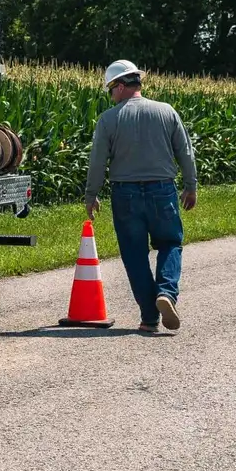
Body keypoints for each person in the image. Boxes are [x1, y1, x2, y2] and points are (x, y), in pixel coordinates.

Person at [84, 60, 197, 335]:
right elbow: (185, 151)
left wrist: (91, 194)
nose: (111, 96)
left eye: (111, 90)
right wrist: (190, 185)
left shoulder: (109, 119)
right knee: (170, 243)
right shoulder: (166, 111)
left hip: (125, 194)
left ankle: (149, 318)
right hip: (163, 190)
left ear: (120, 86)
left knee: (134, 255)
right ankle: (167, 293)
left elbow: (98, 161)